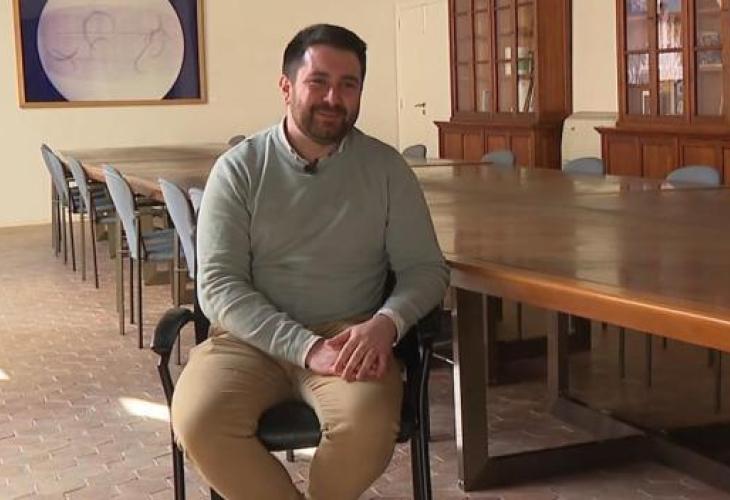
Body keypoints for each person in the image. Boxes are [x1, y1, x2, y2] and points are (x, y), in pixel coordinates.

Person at [171, 23, 448, 500]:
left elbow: (425, 269)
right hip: (248, 340)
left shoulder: (386, 170)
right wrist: (305, 346)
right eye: (318, 81)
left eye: (348, 84)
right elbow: (217, 284)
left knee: (367, 426)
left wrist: (387, 322)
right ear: (286, 86)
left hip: (349, 339)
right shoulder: (239, 170)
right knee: (198, 421)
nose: (333, 98)